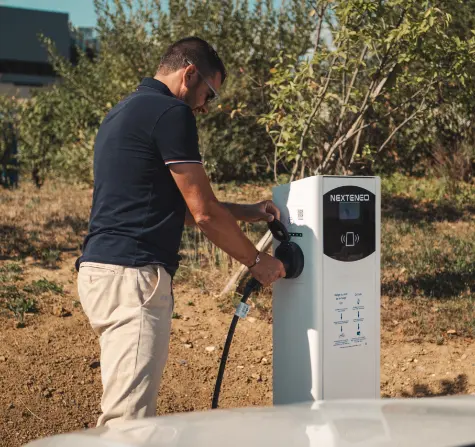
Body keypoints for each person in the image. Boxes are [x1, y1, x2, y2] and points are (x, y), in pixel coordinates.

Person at [76, 36, 286, 427]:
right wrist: (257, 261)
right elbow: (204, 214)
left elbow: (175, 209)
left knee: (123, 412)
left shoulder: (122, 112)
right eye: (210, 93)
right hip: (133, 279)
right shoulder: (172, 113)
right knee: (128, 424)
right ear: (190, 74)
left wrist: (248, 212)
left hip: (100, 273)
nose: (206, 107)